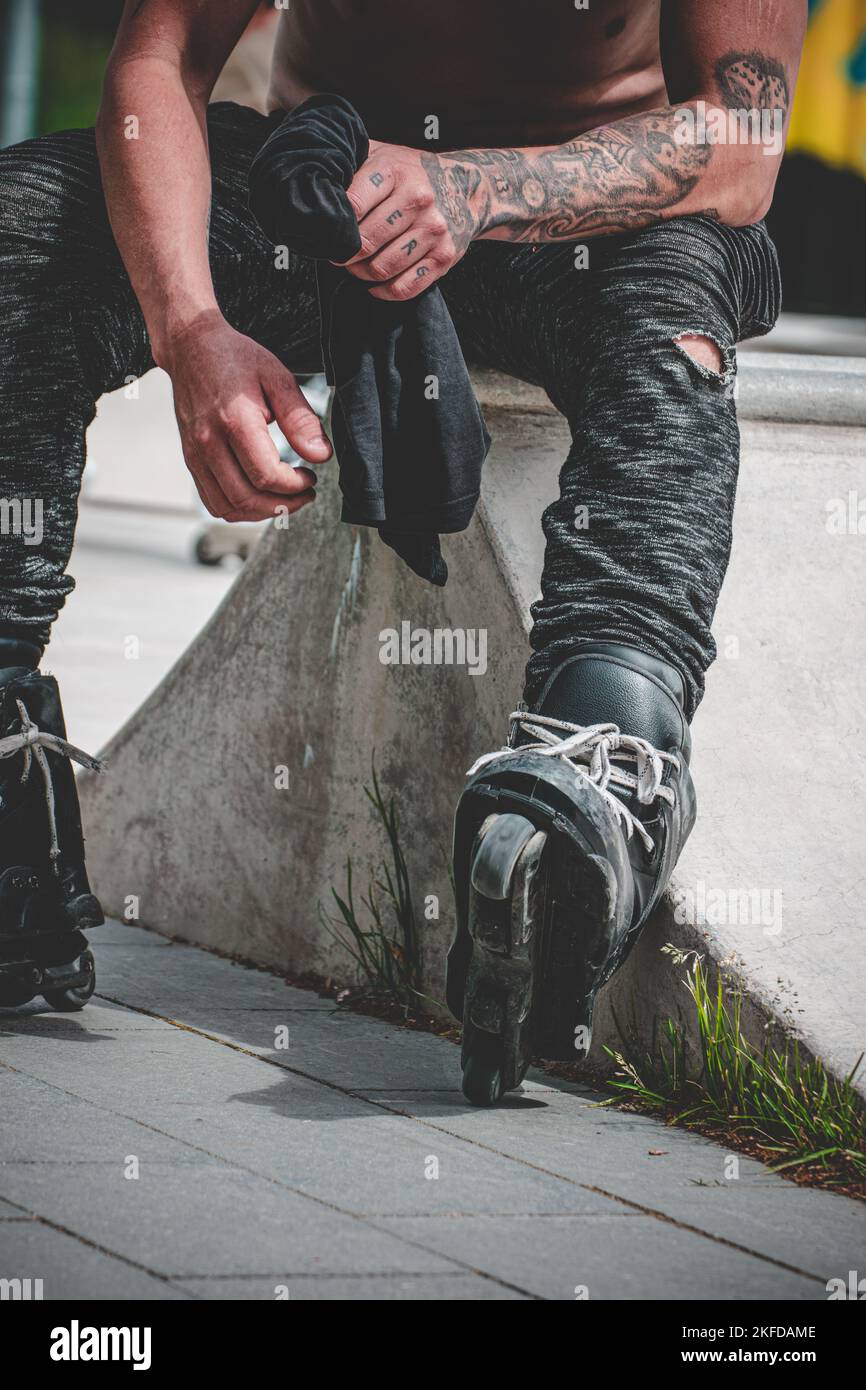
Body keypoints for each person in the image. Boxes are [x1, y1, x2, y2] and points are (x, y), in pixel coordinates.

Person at [0, 2, 805, 1088]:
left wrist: (475, 189)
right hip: (327, 198)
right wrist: (187, 328)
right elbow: (163, 57)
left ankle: (601, 764)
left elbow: (743, 139)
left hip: (590, 217)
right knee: (21, 231)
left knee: (670, 327)